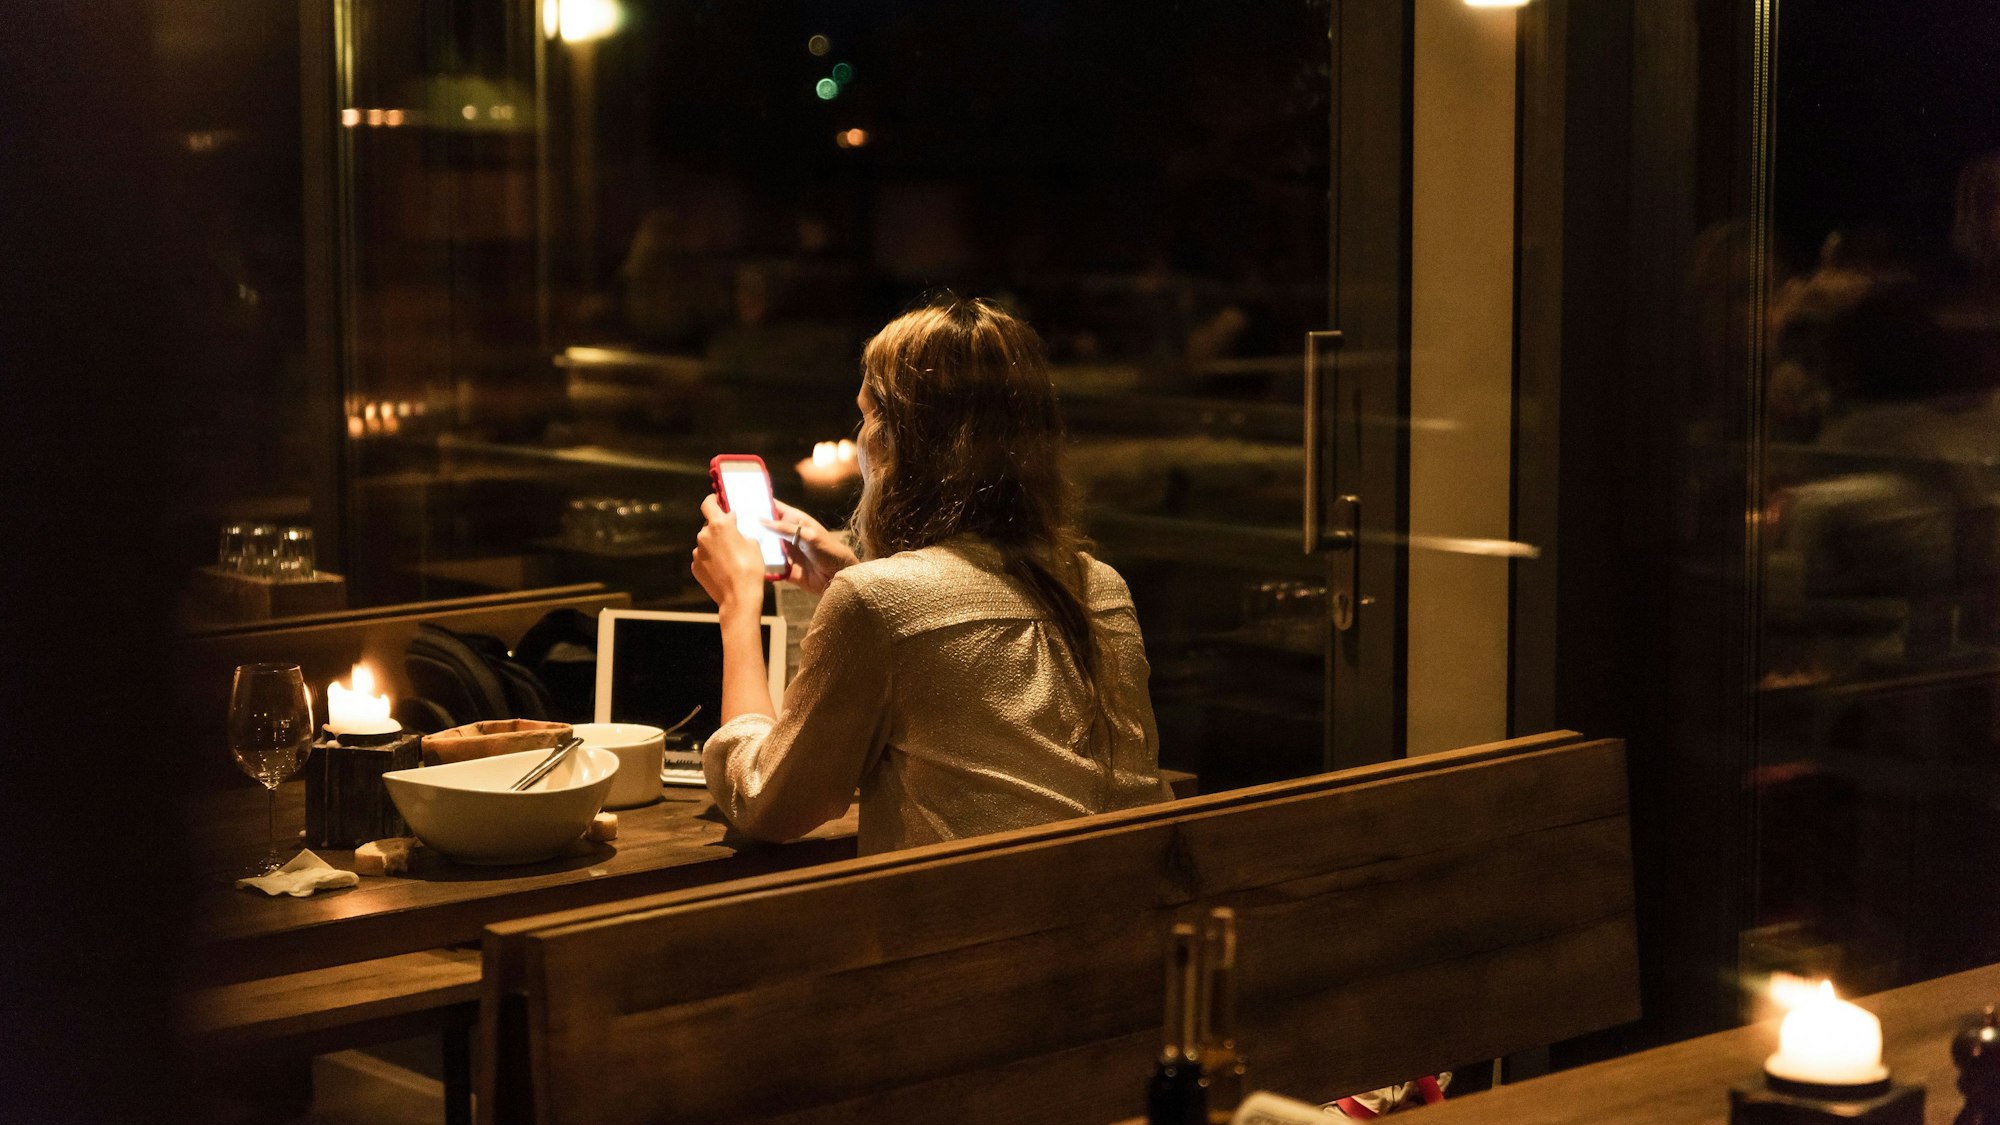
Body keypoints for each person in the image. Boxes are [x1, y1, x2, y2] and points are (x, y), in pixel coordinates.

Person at [688, 296, 1171, 854]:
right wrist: (853, 571)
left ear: (900, 442)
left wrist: (738, 606)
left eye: (867, 417)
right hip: (1118, 919)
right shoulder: (1101, 587)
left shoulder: (879, 602)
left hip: (966, 933)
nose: (861, 439)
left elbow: (768, 804)